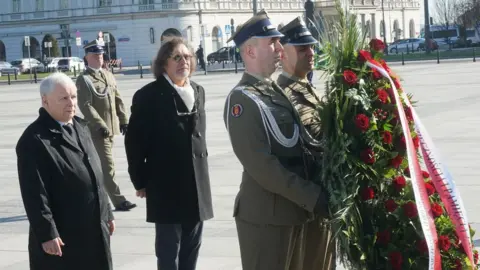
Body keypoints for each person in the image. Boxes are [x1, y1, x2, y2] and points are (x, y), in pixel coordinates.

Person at [223, 9, 328, 270]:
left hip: (292, 212)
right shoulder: (242, 99)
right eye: (272, 42)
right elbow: (262, 166)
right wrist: (313, 196)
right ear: (250, 51)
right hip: (266, 218)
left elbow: (303, 145)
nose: (280, 47)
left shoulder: (274, 91)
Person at [124, 37, 213, 270]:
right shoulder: (149, 95)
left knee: (192, 245)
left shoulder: (198, 91)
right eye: (177, 57)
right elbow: (134, 142)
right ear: (164, 63)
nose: (184, 61)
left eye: (187, 57)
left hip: (196, 183)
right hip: (166, 184)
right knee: (168, 250)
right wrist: (140, 180)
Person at [16, 73, 115, 270]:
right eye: (63, 98)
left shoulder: (80, 127)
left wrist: (107, 212)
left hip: (94, 228)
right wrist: (47, 234)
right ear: (45, 101)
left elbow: (94, 176)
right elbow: (35, 194)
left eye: (74, 97)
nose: (71, 103)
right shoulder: (34, 140)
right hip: (63, 237)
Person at [277, 17, 336, 270]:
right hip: (306, 204)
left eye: (311, 46)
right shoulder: (283, 95)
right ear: (283, 53)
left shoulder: (307, 88)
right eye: (302, 48)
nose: (311, 52)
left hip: (321, 203)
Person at [76, 40, 136, 211]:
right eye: (95, 55)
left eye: (101, 55)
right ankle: (118, 201)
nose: (99, 58)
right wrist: (100, 125)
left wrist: (123, 120)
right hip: (97, 131)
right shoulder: (84, 79)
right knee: (108, 166)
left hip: (110, 129)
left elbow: (117, 98)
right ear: (87, 58)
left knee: (100, 167)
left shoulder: (108, 75)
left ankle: (90, 198)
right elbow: (85, 105)